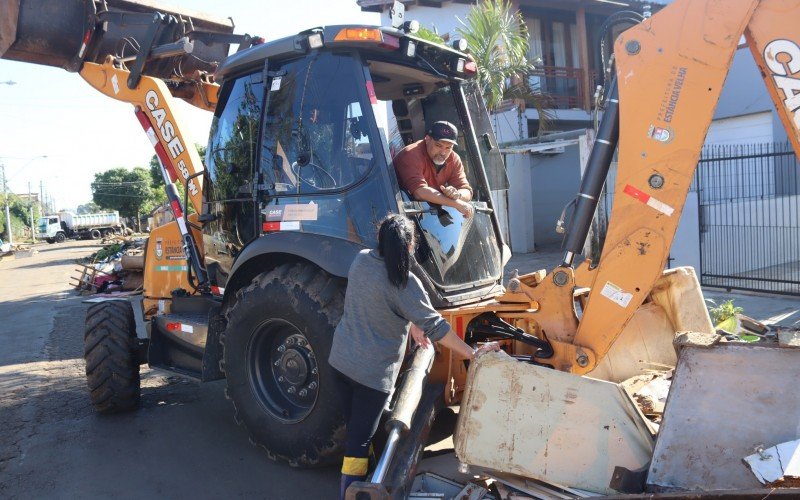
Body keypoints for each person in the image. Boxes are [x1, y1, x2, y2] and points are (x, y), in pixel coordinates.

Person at [328, 214, 499, 499]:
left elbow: (379, 301)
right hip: (372, 377)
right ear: (409, 247)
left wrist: (412, 320)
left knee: (357, 432)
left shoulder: (360, 261)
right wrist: (472, 353)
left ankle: (370, 475)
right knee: (358, 443)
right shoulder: (405, 283)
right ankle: (352, 493)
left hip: (340, 363)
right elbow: (438, 327)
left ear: (381, 239)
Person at [393, 121, 475, 218]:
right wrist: (456, 203)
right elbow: (420, 192)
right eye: (438, 145)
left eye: (448, 147)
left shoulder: (454, 158)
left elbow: (467, 191)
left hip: (428, 217)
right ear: (427, 139)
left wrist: (457, 195)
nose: (443, 153)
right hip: (397, 213)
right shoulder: (411, 154)